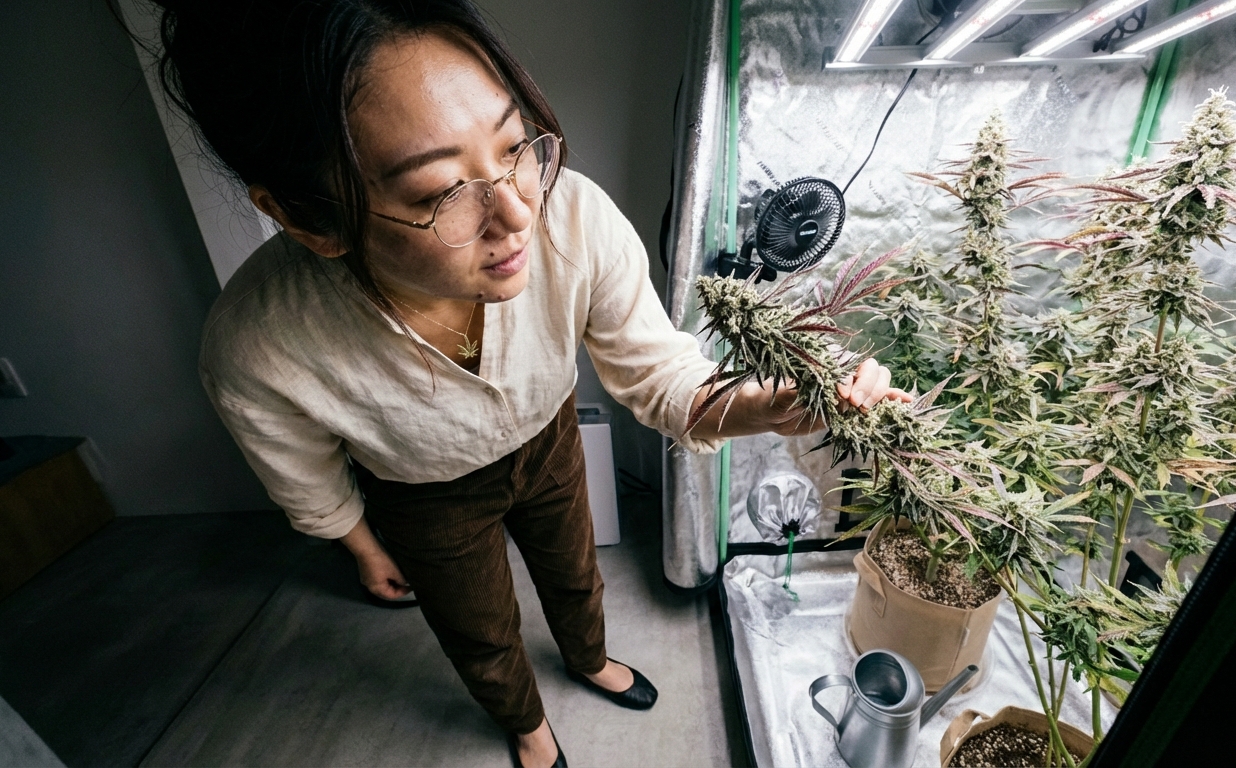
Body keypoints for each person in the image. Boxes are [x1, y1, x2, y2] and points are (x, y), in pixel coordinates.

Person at [126, 2, 910, 766]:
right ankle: (526, 723)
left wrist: (766, 407)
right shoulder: (259, 344)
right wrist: (363, 546)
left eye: (513, 146)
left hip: (550, 437)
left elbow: (659, 371)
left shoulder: (573, 217)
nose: (516, 213)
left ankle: (588, 659)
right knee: (478, 626)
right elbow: (306, 474)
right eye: (439, 193)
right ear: (308, 219)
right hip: (423, 493)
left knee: (576, 572)